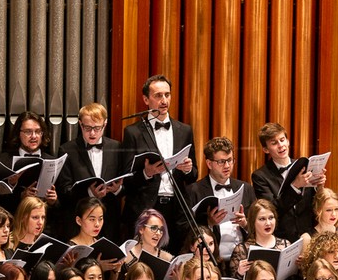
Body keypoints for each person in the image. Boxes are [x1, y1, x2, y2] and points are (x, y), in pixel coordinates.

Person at [121, 75, 197, 250]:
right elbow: (126, 179)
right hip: (146, 208)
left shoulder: (185, 130)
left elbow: (194, 175)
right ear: (146, 100)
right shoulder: (133, 132)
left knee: (176, 259)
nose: (164, 100)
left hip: (177, 210)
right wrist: (147, 173)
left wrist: (187, 169)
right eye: (158, 96)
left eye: (167, 95)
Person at [57, 102, 124, 243]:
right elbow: (64, 190)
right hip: (79, 224)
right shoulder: (67, 150)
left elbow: (127, 184)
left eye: (97, 128)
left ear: (105, 124)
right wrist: (89, 193)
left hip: (109, 222)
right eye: (87, 128)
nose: (92, 133)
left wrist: (117, 189)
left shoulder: (116, 147)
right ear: (80, 124)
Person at [250, 122, 326, 241]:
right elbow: (271, 210)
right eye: (274, 143)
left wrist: (319, 186)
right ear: (265, 149)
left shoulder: (304, 166)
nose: (280, 145)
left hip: (309, 235)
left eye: (282, 140)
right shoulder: (260, 176)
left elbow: (315, 205)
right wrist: (295, 186)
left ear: (288, 141)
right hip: (281, 238)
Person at [186, 137, 256, 262]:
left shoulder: (246, 188)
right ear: (209, 164)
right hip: (211, 260)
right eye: (221, 162)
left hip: (243, 258)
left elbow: (257, 226)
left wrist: (245, 224)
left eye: (230, 160)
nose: (227, 166)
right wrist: (210, 224)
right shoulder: (194, 190)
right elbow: (186, 230)